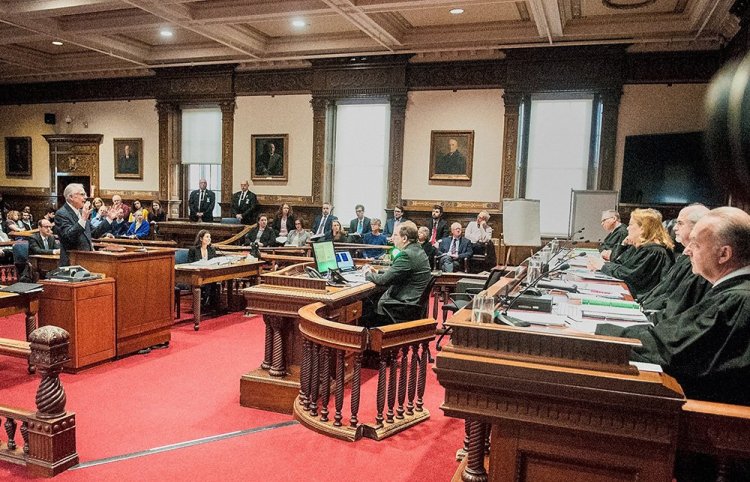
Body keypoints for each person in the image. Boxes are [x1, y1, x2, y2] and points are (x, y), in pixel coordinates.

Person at [596, 207, 750, 406]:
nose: (686, 250)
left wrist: (598, 334)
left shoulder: (736, 301)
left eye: (695, 244)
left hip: (701, 414)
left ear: (724, 254)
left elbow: (670, 350)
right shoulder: (733, 292)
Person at [639, 204, 711, 318]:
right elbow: (664, 289)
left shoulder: (701, 267)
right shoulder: (684, 258)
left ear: (697, 227)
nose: (674, 228)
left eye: (680, 223)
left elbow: (676, 302)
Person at [588, 208, 674, 300]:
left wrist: (603, 266)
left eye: (630, 224)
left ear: (643, 228)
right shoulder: (642, 247)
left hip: (637, 298)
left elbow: (629, 275)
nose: (627, 228)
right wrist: (604, 265)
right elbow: (620, 263)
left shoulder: (653, 250)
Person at [362, 221, 432, 326]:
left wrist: (367, 273)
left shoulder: (406, 254)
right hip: (412, 305)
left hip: (401, 307)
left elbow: (383, 280)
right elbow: (397, 272)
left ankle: (367, 338)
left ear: (404, 238)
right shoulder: (417, 250)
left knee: (364, 308)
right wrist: (377, 271)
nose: (392, 238)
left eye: (395, 235)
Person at [54, 183, 119, 266]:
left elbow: (95, 233)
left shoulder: (81, 212)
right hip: (71, 263)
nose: (85, 197)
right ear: (71, 197)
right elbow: (68, 237)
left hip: (86, 260)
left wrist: (109, 219)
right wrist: (83, 219)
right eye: (82, 194)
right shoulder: (61, 213)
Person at [187, 230, 219, 308]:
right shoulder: (193, 249)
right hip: (197, 274)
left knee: (212, 281)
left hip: (209, 273)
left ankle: (209, 303)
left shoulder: (211, 250)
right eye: (207, 237)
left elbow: (215, 262)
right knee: (208, 282)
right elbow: (189, 263)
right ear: (201, 239)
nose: (209, 239)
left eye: (210, 237)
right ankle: (204, 302)